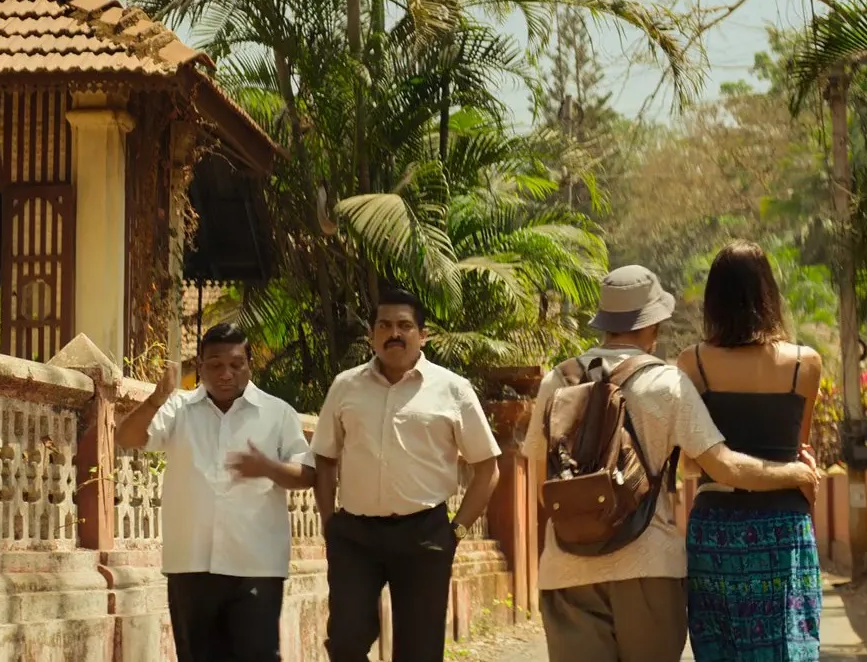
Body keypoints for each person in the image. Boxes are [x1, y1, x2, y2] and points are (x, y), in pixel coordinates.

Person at [523, 265, 822, 662]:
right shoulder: (666, 383)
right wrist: (796, 472)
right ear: (653, 324)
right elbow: (725, 466)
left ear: (605, 323)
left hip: (566, 570)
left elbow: (540, 484)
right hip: (647, 566)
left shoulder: (556, 381)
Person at [312, 288, 501, 662]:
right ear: (371, 334)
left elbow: (487, 468)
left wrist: (456, 532)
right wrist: (329, 522)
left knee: (419, 651)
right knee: (346, 641)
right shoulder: (346, 386)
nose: (394, 333)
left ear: (423, 334)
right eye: (384, 325)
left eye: (404, 325)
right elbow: (325, 458)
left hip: (424, 536)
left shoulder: (453, 390)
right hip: (355, 536)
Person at [115, 323, 316, 662]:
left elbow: (307, 474)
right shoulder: (177, 409)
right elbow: (127, 438)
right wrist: (156, 399)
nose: (226, 374)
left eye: (236, 364)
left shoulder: (277, 413)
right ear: (200, 365)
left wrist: (267, 467)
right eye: (216, 364)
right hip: (191, 564)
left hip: (256, 565)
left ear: (250, 365)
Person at [676, 243, 826, 661]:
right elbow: (798, 454)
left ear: (714, 300)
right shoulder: (805, 364)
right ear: (768, 293)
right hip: (783, 527)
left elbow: (691, 462)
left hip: (716, 528)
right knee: (787, 645)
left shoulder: (692, 364)